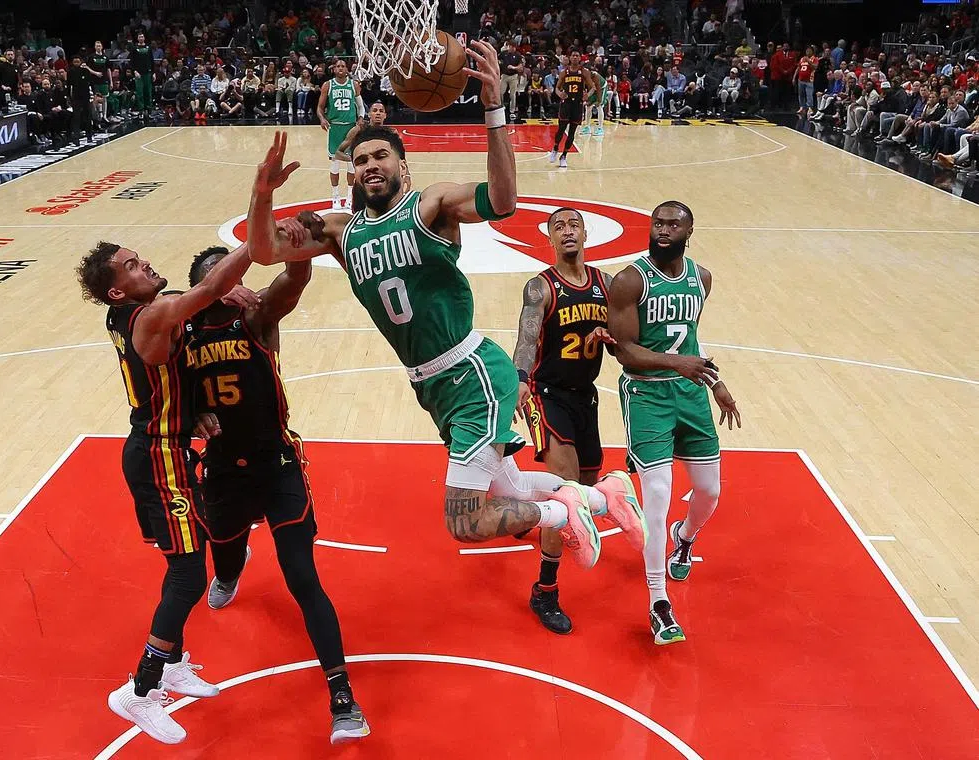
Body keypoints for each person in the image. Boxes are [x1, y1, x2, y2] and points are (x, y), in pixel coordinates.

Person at [246, 51, 645, 593]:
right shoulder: (339, 231)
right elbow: (265, 250)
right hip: (433, 385)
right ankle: (607, 495)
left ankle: (566, 510)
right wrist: (263, 194)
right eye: (360, 159)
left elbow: (503, 201)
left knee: (464, 520)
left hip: (471, 373)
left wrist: (494, 110)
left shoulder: (429, 205)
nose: (369, 165)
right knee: (508, 491)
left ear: (402, 166)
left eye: (381, 155)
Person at [187, 248, 370, 745]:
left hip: (277, 467)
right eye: (219, 275)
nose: (234, 280)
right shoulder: (181, 329)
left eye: (236, 272)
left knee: (302, 578)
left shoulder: (256, 315)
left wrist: (300, 250)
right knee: (224, 558)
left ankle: (343, 698)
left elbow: (295, 280)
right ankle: (232, 567)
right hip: (223, 471)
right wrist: (189, 416)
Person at [76, 240, 256, 745]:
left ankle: (173, 663)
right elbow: (209, 287)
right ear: (118, 291)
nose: (147, 264)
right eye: (132, 266)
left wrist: (191, 412)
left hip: (160, 448)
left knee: (186, 560)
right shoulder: (151, 317)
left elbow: (184, 304)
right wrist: (257, 238)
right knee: (188, 575)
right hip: (159, 458)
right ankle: (139, 689)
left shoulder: (127, 315)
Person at [606, 201, 742, 645]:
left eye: (673, 224)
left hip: (691, 394)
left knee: (709, 492)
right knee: (658, 496)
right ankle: (658, 602)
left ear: (689, 231)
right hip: (647, 395)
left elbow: (691, 340)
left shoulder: (701, 279)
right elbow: (623, 349)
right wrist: (676, 364)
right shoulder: (630, 280)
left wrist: (715, 382)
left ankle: (685, 537)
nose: (663, 230)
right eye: (658, 223)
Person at [513, 207, 641, 634]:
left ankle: (526, 513)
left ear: (586, 234)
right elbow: (526, 340)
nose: (567, 232)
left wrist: (611, 339)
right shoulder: (541, 287)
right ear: (549, 238)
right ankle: (545, 591)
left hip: (585, 397)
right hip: (547, 395)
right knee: (569, 495)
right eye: (558, 227)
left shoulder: (606, 285)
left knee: (585, 487)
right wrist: (518, 380)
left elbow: (626, 344)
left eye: (573, 225)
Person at [318, 59, 363, 210]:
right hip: (335, 127)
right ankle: (335, 197)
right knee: (335, 163)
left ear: (347, 69)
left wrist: (360, 119)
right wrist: (322, 119)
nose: (341, 68)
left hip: (350, 127)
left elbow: (361, 107)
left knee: (351, 163)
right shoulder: (328, 85)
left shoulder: (353, 85)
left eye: (343, 66)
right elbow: (320, 107)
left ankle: (350, 197)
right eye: (338, 66)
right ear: (334, 69)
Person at [547, 51, 598, 168]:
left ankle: (564, 156)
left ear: (580, 58)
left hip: (577, 105)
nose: (575, 57)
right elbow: (557, 88)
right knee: (561, 129)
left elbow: (593, 87)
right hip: (566, 104)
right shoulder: (564, 72)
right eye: (573, 55)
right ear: (570, 58)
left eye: (577, 55)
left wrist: (588, 95)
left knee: (572, 132)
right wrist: (559, 94)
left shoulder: (584, 72)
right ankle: (555, 148)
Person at [68, 54, 95, 145]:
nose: (76, 63)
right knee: (76, 118)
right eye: (75, 62)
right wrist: (69, 97)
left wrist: (93, 93)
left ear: (80, 62)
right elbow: (69, 85)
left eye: (78, 61)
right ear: (72, 62)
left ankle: (89, 135)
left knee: (88, 116)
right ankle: (76, 138)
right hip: (76, 98)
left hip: (86, 97)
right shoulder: (70, 72)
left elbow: (91, 83)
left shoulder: (85, 71)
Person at [130, 33, 155, 118]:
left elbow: (152, 60)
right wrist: (135, 71)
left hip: (147, 73)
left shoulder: (148, 48)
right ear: (137, 38)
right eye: (139, 37)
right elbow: (132, 61)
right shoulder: (134, 48)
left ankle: (149, 110)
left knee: (148, 92)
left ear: (144, 38)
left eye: (142, 37)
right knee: (140, 92)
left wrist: (153, 72)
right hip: (138, 74)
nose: (141, 38)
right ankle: (141, 110)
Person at [89, 41, 112, 128]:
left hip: (104, 81)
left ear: (102, 47)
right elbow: (87, 68)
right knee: (96, 99)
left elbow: (108, 69)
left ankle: (104, 117)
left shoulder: (105, 57)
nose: (98, 47)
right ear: (95, 47)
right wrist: (95, 73)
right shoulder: (92, 57)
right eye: (97, 46)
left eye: (99, 46)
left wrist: (111, 81)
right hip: (95, 81)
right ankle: (98, 117)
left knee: (104, 98)